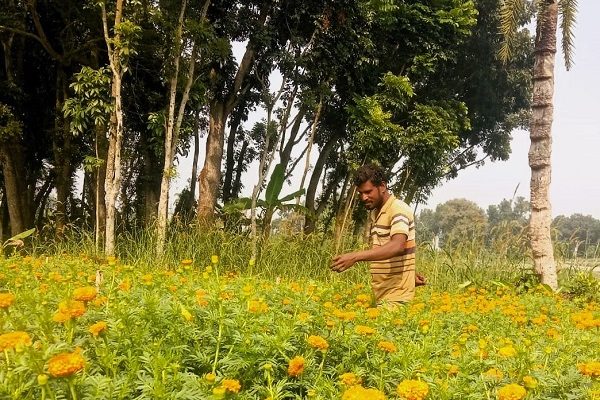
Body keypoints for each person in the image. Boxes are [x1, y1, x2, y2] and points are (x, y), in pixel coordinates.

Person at [331, 163, 422, 305]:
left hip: (396, 298)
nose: (364, 198)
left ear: (383, 186)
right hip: (382, 296)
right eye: (360, 193)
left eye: (368, 192)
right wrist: (410, 275)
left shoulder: (398, 209)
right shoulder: (377, 212)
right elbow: (392, 249)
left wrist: (355, 257)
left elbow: (397, 245)